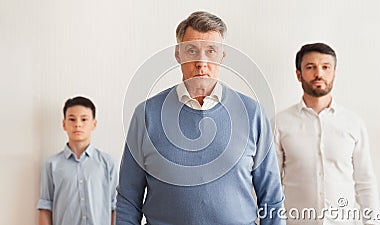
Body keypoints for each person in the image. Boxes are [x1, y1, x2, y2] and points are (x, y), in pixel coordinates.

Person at [116, 11, 285, 225]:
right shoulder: (146, 115)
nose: (201, 62)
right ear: (178, 55)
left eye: (211, 51)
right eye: (192, 51)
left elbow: (271, 198)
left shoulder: (252, 113)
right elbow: (128, 200)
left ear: (222, 56)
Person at [273, 43, 380, 225]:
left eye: (325, 67)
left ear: (334, 73)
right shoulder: (280, 123)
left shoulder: (353, 123)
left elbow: (365, 182)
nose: (319, 74)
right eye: (310, 67)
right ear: (298, 74)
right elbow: (271, 183)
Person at [37, 96, 118, 225]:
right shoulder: (51, 165)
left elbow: (115, 205)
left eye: (84, 119)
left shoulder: (108, 163)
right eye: (72, 119)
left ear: (94, 124)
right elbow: (46, 206)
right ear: (64, 124)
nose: (78, 124)